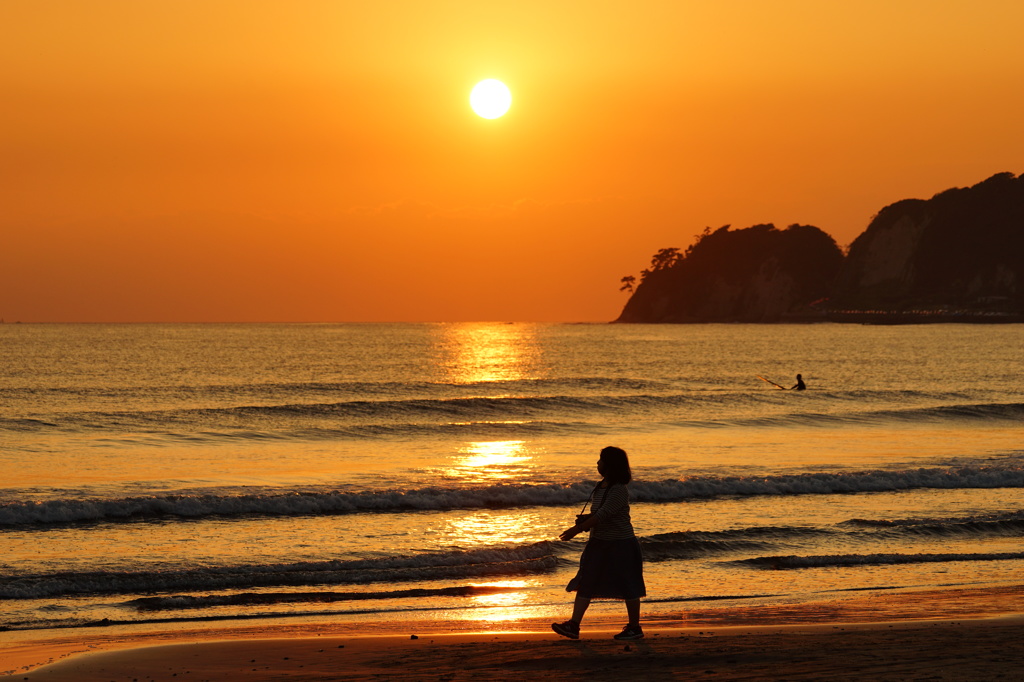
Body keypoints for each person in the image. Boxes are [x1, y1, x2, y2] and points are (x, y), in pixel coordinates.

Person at [552, 446, 646, 641]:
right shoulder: (601, 486)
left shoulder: (619, 489)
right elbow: (601, 513)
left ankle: (634, 628)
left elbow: (604, 515)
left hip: (621, 544)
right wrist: (586, 518)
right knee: (587, 581)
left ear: (609, 465)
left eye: (601, 460)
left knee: (628, 584)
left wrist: (576, 530)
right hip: (599, 542)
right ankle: (573, 625)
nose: (597, 463)